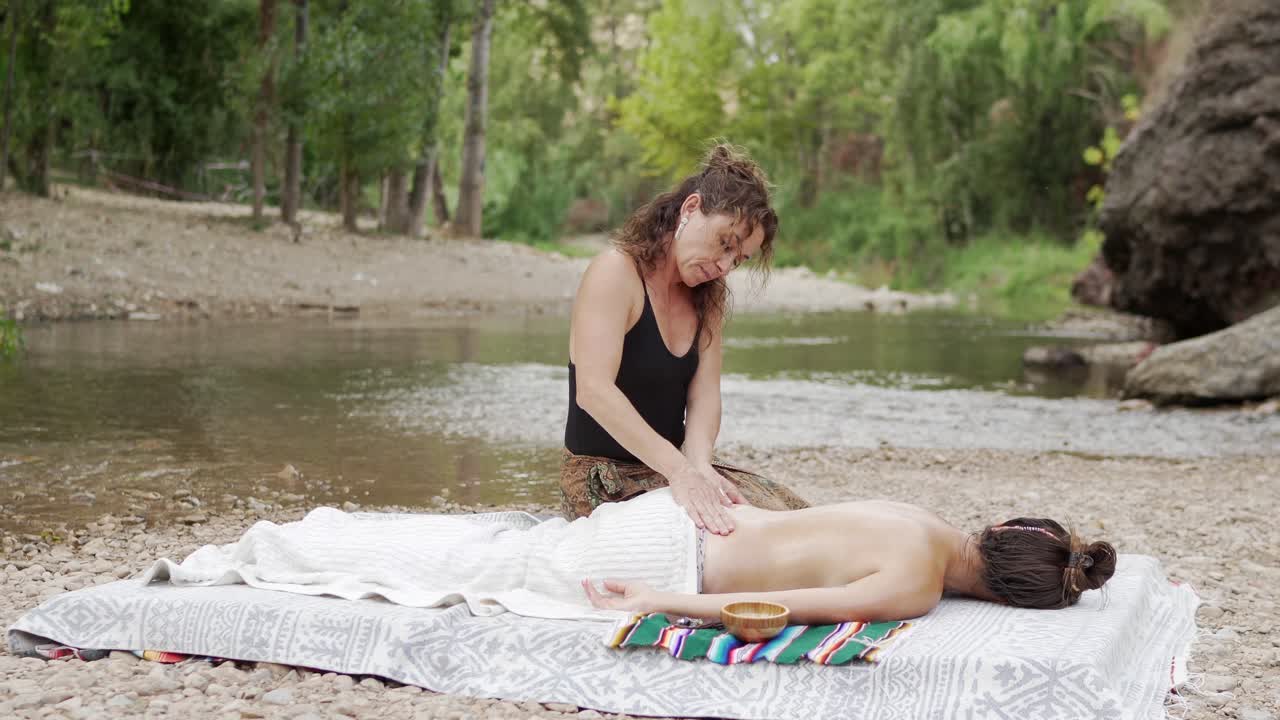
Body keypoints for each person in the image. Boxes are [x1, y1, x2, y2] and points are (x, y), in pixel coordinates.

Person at [562, 143, 808, 534]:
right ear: (690, 209)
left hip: (672, 468)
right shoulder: (616, 273)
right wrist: (680, 472)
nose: (725, 266)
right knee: (737, 535)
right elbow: (593, 391)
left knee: (789, 517)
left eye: (738, 259)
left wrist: (700, 467)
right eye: (725, 243)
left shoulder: (707, 298)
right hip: (603, 477)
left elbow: (704, 395)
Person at [583, 494, 1118, 624]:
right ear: (1004, 599)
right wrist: (660, 600)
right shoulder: (917, 588)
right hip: (666, 557)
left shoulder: (925, 521)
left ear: (998, 528)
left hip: (677, 516)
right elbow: (780, 606)